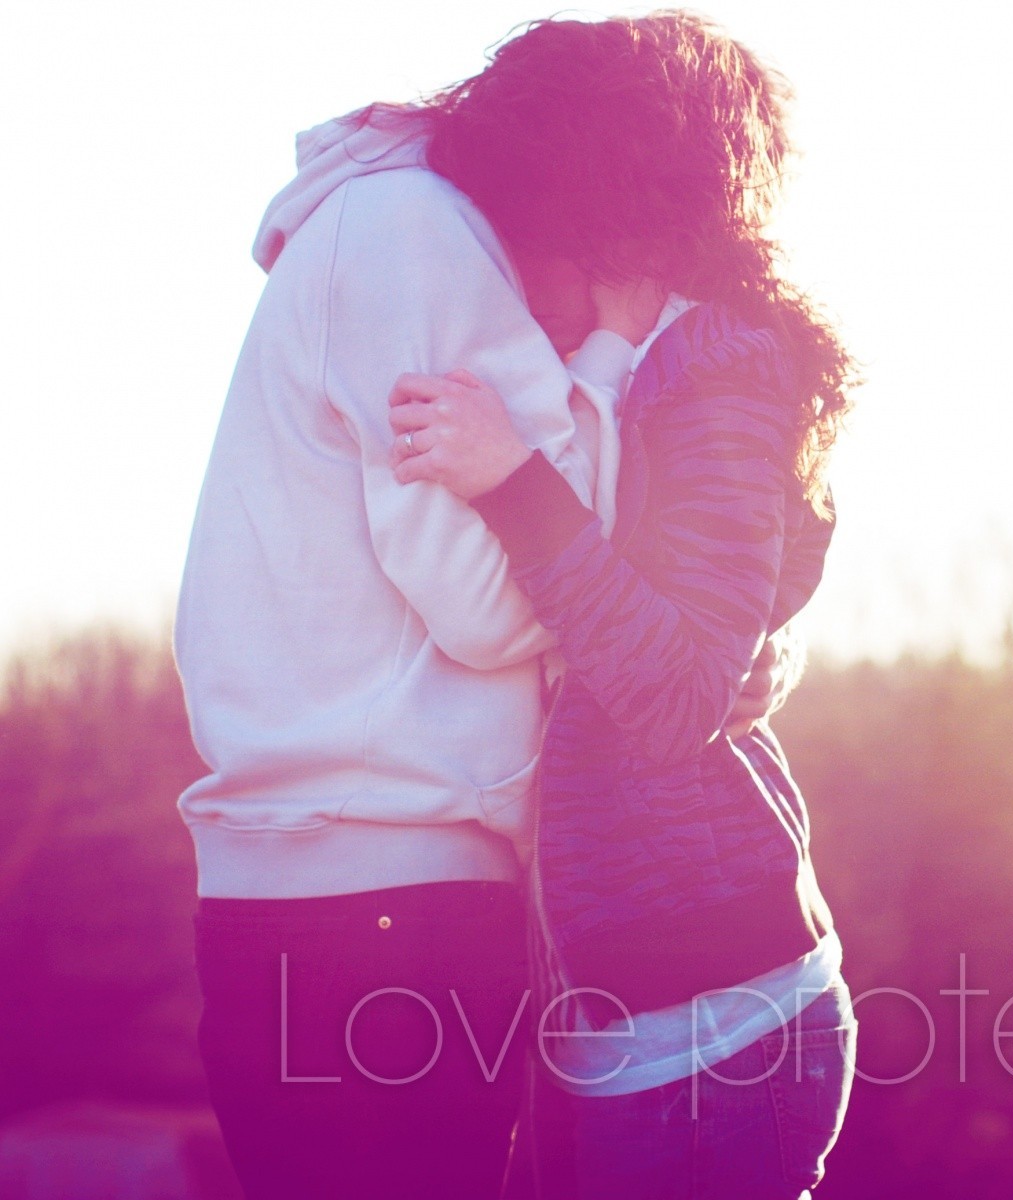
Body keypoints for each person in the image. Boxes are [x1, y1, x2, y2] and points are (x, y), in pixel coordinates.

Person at [173, 21, 793, 1200]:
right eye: (637, 253)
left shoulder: (383, 223)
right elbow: (497, 607)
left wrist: (738, 642)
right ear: (602, 200)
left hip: (341, 900)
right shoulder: (421, 238)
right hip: (378, 911)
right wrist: (609, 355)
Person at [385, 15, 857, 1198]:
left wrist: (510, 483)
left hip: (714, 1038)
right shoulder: (638, 365)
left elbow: (677, 692)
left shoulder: (717, 364)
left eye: (512, 220)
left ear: (596, 208)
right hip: (635, 1026)